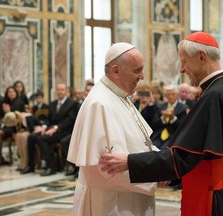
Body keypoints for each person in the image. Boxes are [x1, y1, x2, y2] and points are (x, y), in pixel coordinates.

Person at [100, 32, 223, 216]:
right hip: (218, 191)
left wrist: (129, 162)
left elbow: (182, 157)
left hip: (210, 198)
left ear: (201, 56)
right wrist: (170, 175)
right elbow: (199, 155)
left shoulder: (214, 96)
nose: (181, 69)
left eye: (184, 62)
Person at [67, 42, 158, 216]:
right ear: (116, 71)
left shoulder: (119, 95)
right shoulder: (99, 104)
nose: (142, 76)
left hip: (131, 196)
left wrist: (160, 163)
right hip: (114, 203)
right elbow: (108, 168)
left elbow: (140, 143)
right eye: (137, 70)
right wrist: (154, 175)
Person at [21, 83, 78, 176]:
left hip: (64, 131)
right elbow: (48, 119)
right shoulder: (52, 104)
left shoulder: (72, 103)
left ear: (66, 91)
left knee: (41, 139)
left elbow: (70, 120)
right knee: (31, 137)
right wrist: (43, 127)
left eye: (62, 90)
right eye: (58, 90)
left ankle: (51, 167)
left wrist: (56, 128)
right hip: (51, 129)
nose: (60, 92)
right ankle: (30, 165)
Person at [150, 84, 187, 150]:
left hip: (173, 136)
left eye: (173, 94)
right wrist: (163, 118)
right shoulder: (160, 106)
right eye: (168, 95)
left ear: (177, 95)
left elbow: (183, 127)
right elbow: (153, 124)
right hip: (158, 135)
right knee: (152, 148)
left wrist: (173, 118)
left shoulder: (183, 108)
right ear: (165, 96)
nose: (171, 96)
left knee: (163, 150)